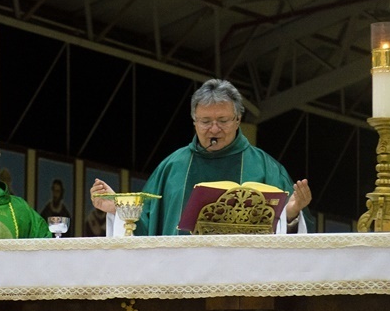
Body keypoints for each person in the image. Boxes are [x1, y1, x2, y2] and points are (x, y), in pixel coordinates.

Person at [90, 79, 313, 236]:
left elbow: (289, 237)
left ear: (237, 120)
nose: (214, 129)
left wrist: (292, 213)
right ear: (194, 122)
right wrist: (118, 208)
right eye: (205, 121)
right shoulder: (173, 167)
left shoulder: (265, 168)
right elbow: (146, 226)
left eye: (223, 121)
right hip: (180, 278)